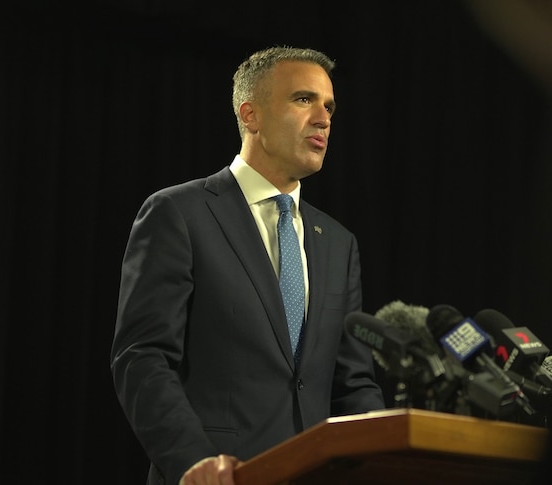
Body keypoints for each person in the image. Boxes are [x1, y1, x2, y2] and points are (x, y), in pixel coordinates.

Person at [110, 46, 385, 485]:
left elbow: (351, 383)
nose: (323, 118)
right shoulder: (179, 213)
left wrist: (386, 459)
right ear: (250, 114)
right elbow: (143, 358)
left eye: (329, 106)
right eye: (303, 99)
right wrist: (192, 460)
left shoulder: (338, 243)